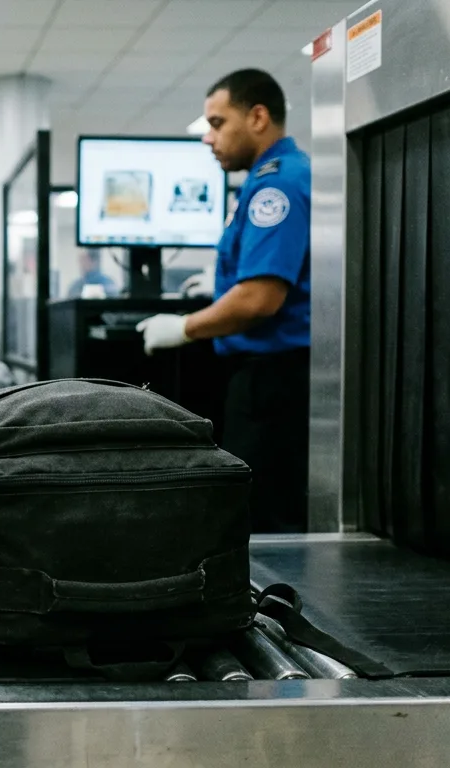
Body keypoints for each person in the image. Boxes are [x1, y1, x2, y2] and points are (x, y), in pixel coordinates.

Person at [138, 69, 311, 533]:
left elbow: (259, 299)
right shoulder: (269, 178)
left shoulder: (278, 184)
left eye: (217, 123)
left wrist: (183, 327)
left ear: (257, 117)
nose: (207, 137)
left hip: (275, 384)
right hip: (268, 380)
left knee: (266, 521)